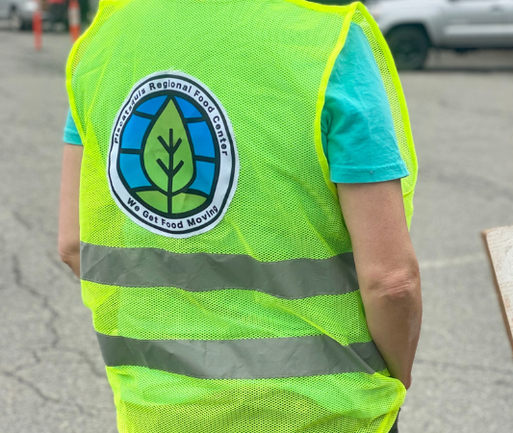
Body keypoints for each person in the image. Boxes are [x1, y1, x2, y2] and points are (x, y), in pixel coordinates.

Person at [57, 0, 421, 432]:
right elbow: (392, 283)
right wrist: (396, 380)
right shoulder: (327, 45)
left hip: (163, 411)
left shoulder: (104, 42)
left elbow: (72, 244)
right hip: (326, 412)